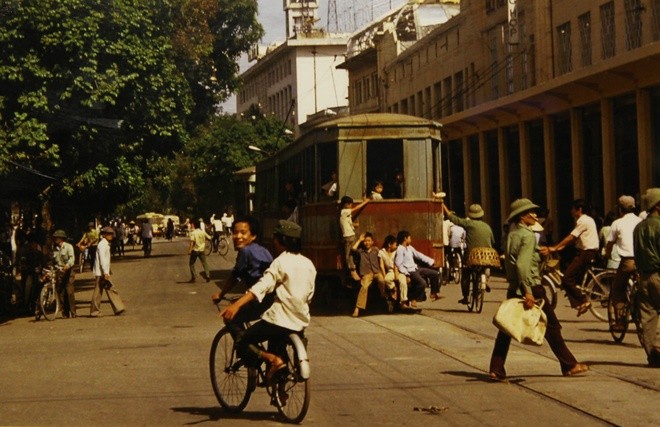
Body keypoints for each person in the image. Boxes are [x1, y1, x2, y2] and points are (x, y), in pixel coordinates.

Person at [489, 198, 588, 381]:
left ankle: (496, 368)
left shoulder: (512, 234)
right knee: (552, 326)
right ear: (522, 216)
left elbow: (514, 261)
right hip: (531, 286)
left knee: (506, 328)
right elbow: (522, 265)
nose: (535, 215)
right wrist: (528, 291)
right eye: (530, 213)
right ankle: (569, 365)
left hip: (514, 286)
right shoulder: (527, 235)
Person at [220, 220, 316, 382]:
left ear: (280, 241)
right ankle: (281, 390)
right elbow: (309, 295)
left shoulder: (280, 262)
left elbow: (261, 287)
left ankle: (272, 360)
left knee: (242, 340)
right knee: (278, 344)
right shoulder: (308, 264)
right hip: (300, 320)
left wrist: (237, 304)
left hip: (278, 321)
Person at [211, 216, 273, 336]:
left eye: (243, 233)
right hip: (272, 299)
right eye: (235, 233)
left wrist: (221, 294)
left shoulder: (245, 251)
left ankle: (247, 350)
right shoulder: (264, 251)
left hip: (259, 300)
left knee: (230, 318)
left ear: (253, 236)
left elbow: (235, 276)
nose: (238, 237)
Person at [548, 199, 599, 316]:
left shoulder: (583, 221)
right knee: (570, 277)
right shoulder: (587, 220)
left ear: (579, 210)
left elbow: (571, 237)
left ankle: (584, 301)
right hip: (585, 251)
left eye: (573, 209)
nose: (571, 211)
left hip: (586, 252)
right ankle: (578, 302)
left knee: (567, 278)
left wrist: (555, 247)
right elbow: (574, 239)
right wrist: (561, 247)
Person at [442, 201, 496, 305]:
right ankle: (485, 280)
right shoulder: (487, 227)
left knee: (466, 273)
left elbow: (454, 219)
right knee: (485, 267)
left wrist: (443, 206)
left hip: (472, 256)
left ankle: (466, 296)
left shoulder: (469, 224)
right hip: (487, 256)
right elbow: (492, 241)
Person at [606, 196, 642, 331]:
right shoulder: (641, 221)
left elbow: (610, 243)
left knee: (617, 289)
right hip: (642, 261)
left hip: (628, 262)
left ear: (620, 209)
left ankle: (620, 321)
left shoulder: (617, 223)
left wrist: (607, 254)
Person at [633, 188, 660, 367]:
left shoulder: (639, 227)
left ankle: (653, 355)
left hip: (643, 277)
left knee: (648, 316)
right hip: (658, 275)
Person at [395, 230, 441, 306]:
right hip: (410, 271)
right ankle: (414, 298)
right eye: (409, 238)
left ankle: (433, 293)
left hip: (416, 268)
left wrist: (431, 261)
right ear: (405, 239)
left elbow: (419, 255)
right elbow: (398, 264)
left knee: (435, 274)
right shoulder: (400, 249)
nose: (411, 240)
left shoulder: (409, 248)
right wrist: (406, 274)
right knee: (422, 283)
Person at [90, 227, 125, 317]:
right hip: (101, 272)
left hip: (104, 271)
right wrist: (105, 272)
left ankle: (118, 308)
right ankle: (95, 311)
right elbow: (102, 259)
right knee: (101, 291)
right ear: (104, 235)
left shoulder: (105, 244)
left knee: (108, 289)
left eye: (111, 234)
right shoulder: (102, 245)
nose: (111, 236)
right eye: (109, 234)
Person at [351, 232, 388, 318]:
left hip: (376, 272)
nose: (367, 243)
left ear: (372, 242)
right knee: (364, 287)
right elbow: (353, 249)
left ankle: (383, 295)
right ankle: (357, 308)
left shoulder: (376, 250)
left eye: (369, 241)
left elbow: (383, 256)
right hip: (367, 273)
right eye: (365, 241)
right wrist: (359, 240)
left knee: (382, 281)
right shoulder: (361, 251)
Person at [339, 195, 370, 281]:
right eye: (350, 204)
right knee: (350, 254)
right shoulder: (344, 211)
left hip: (349, 235)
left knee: (349, 254)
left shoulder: (344, 213)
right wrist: (366, 201)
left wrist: (354, 225)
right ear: (346, 204)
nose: (351, 206)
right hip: (349, 236)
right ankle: (353, 270)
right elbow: (357, 208)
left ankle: (353, 269)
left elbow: (348, 223)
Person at [52, 229, 77, 318]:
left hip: (69, 272)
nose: (55, 239)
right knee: (61, 293)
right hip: (60, 272)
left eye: (57, 238)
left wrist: (67, 266)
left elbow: (72, 259)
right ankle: (65, 313)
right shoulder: (54, 249)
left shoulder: (68, 247)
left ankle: (73, 312)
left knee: (69, 292)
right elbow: (53, 262)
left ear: (61, 238)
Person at [379, 234, 407, 309]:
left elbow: (396, 264)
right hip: (390, 271)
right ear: (389, 245)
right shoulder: (381, 252)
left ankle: (403, 301)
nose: (397, 246)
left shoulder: (396, 252)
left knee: (403, 282)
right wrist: (384, 275)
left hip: (399, 270)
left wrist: (396, 275)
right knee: (387, 279)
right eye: (395, 245)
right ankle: (394, 289)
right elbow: (381, 266)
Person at [188, 218, 212, 283]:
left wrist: (189, 250)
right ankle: (208, 275)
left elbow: (192, 242)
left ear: (194, 225)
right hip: (202, 250)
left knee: (191, 263)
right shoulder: (202, 232)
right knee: (204, 263)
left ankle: (194, 276)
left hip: (195, 250)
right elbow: (209, 237)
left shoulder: (193, 233)